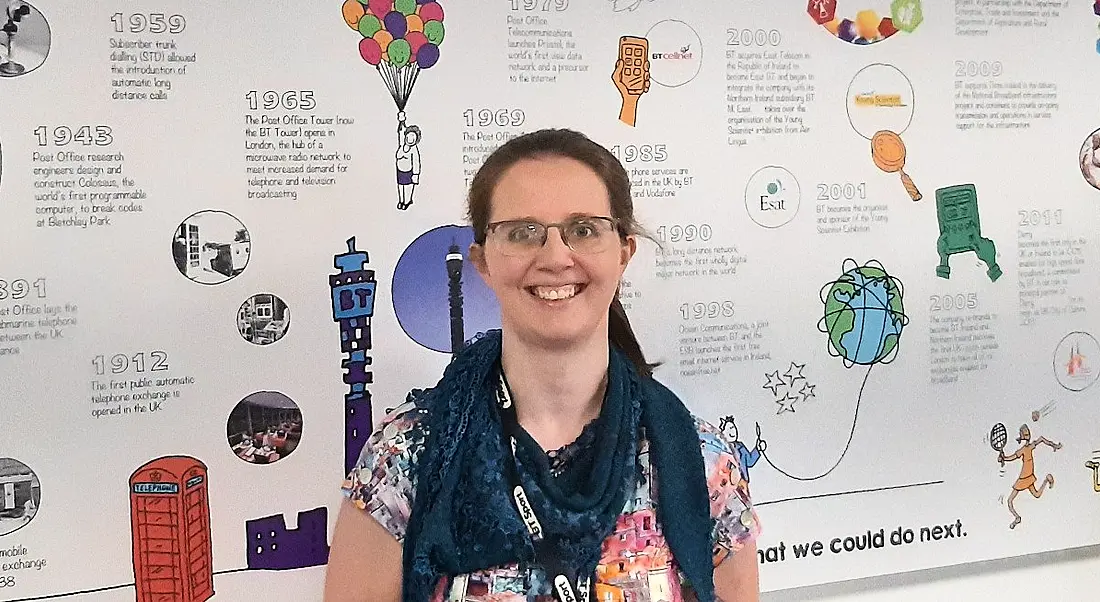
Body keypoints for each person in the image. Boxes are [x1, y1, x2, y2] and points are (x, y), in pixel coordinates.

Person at [324, 128, 761, 602]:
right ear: (483, 262)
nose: (555, 257)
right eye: (521, 233)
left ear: (624, 253)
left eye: (584, 229)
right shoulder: (403, 459)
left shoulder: (701, 461)